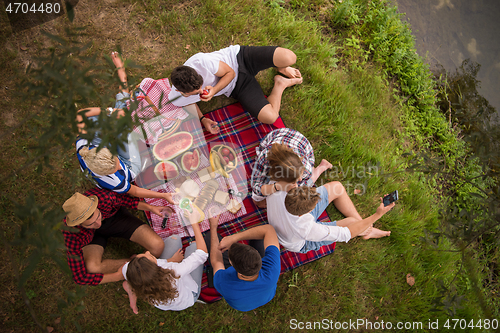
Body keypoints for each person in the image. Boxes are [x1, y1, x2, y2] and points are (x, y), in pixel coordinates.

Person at [75, 52, 174, 204]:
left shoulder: (84, 145)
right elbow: (134, 191)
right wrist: (164, 196)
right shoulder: (114, 182)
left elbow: (80, 115)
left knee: (103, 118)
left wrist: (111, 111)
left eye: (115, 162)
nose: (117, 166)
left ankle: (121, 77)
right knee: (129, 130)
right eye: (115, 167)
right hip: (130, 165)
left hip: (101, 142)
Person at [168, 45, 303, 130]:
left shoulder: (202, 61)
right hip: (237, 86)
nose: (201, 91)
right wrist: (203, 119)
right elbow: (187, 103)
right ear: (181, 92)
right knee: (270, 117)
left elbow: (230, 73)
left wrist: (214, 90)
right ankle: (280, 84)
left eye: (200, 87)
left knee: (289, 57)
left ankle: (282, 67)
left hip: (239, 58)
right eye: (196, 93)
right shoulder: (177, 96)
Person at [62, 188, 166, 285]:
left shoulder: (104, 197)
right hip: (92, 238)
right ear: (79, 224)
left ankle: (140, 263)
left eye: (98, 216)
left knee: (157, 246)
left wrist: (151, 208)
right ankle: (137, 265)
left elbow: (128, 201)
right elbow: (80, 277)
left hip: (115, 219)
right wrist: (116, 276)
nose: (98, 224)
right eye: (91, 223)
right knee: (93, 268)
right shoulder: (72, 234)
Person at [121, 209, 208, 313]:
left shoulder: (130, 270)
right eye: (148, 256)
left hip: (164, 300)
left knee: (174, 239)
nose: (148, 252)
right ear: (155, 267)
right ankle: (131, 290)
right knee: (195, 245)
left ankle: (131, 290)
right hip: (188, 296)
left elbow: (128, 268)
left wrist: (171, 260)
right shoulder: (173, 272)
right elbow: (202, 254)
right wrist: (194, 223)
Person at [266, 183, 393, 253]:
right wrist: (377, 215)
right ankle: (368, 230)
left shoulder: (280, 188)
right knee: (352, 223)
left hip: (288, 219)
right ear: (307, 213)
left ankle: (366, 228)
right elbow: (347, 233)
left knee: (337, 187)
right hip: (301, 241)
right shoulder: (307, 229)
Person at [208, 215, 281, 311]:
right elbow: (269, 229)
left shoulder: (223, 282)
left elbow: (216, 262)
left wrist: (213, 228)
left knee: (210, 237)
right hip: (266, 296)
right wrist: (234, 238)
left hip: (241, 305)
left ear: (232, 265)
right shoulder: (272, 268)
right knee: (262, 234)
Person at [250, 128, 332, 208]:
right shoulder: (264, 157)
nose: (300, 179)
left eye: (299, 176)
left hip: (302, 144)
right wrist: (277, 186)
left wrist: (296, 188)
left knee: (302, 189)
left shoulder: (306, 168)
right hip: (277, 137)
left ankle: (322, 167)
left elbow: (304, 183)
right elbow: (255, 185)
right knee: (257, 201)